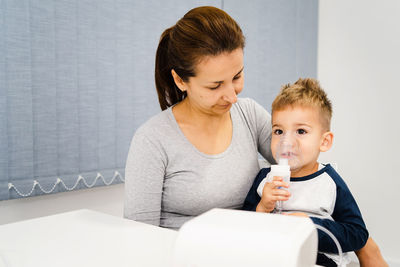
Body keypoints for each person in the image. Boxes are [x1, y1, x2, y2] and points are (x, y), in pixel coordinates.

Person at [123, 6, 387, 267]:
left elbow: (304, 167)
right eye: (215, 85)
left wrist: (365, 246)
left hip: (253, 251)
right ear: (181, 81)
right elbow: (139, 240)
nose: (232, 95)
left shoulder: (247, 114)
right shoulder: (153, 140)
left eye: (237, 76)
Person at [242, 78, 367, 266]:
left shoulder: (329, 182)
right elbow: (242, 226)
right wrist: (262, 207)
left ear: (324, 142)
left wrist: (311, 226)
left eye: (300, 131)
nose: (287, 141)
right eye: (278, 131)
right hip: (273, 254)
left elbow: (357, 234)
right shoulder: (264, 179)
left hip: (318, 258)